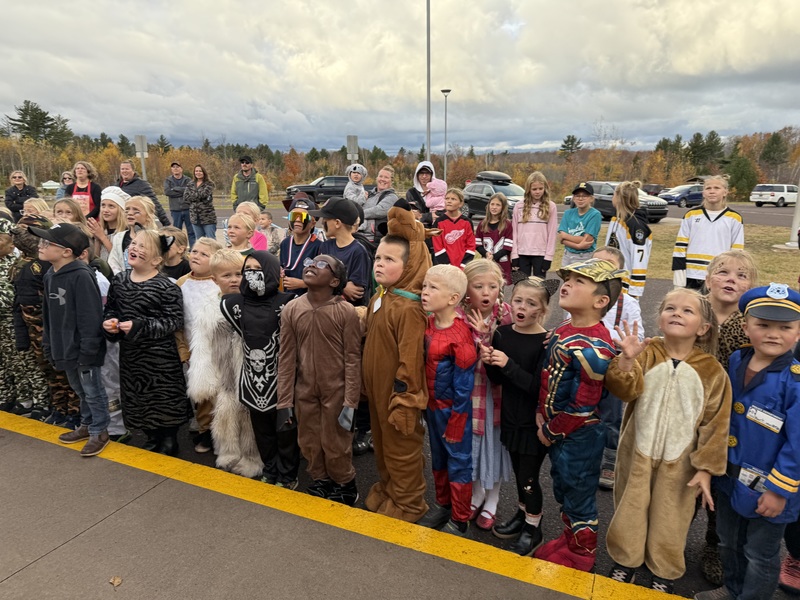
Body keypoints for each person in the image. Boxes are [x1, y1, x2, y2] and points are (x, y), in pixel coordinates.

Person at [604, 289, 731, 594]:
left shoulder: (712, 371)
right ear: (659, 319)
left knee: (671, 516)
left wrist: (705, 468)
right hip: (636, 453)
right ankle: (626, 559)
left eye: (688, 311)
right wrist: (625, 362)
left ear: (703, 328)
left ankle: (665, 568)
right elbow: (623, 390)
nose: (677, 313)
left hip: (682, 464)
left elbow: (716, 425)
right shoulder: (646, 353)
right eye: (670, 308)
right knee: (630, 507)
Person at [695, 285, 800, 600]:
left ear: (798, 332)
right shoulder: (738, 360)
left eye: (785, 327)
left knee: (760, 553)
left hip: (770, 488)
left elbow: (797, 446)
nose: (773, 334)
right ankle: (733, 588)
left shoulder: (794, 382)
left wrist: (779, 491)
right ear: (745, 327)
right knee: (728, 541)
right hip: (730, 478)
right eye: (763, 325)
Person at [535, 258, 627, 571]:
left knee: (578, 491)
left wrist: (551, 430)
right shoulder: (564, 329)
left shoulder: (594, 347)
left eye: (579, 282)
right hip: (560, 429)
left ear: (601, 301)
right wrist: (541, 413)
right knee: (563, 485)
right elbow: (550, 377)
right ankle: (569, 537)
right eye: (568, 279)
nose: (567, 284)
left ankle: (581, 553)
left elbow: (584, 404)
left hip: (580, 434)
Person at [362, 206, 432, 522]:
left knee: (401, 450)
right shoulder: (383, 296)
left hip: (396, 396)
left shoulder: (408, 308)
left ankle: (409, 503)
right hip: (376, 392)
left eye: (390, 260)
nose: (380, 263)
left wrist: (406, 401)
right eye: (378, 257)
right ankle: (389, 489)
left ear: (409, 265)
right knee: (382, 444)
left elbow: (411, 359)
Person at [277, 254, 362, 505]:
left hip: (336, 391)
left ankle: (345, 483)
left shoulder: (346, 312)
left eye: (323, 265)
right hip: (304, 391)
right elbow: (286, 358)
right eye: (311, 262)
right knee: (309, 441)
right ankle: (321, 479)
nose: (313, 265)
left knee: (336, 441)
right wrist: (284, 402)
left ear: (335, 281)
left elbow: (353, 359)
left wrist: (351, 402)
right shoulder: (292, 309)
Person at [482, 276, 557, 555]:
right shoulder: (503, 333)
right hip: (510, 419)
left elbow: (537, 387)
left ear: (543, 310)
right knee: (519, 474)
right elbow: (496, 379)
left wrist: (508, 364)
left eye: (531, 303)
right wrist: (489, 360)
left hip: (532, 423)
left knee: (528, 478)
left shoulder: (545, 342)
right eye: (518, 300)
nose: (522, 307)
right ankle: (523, 514)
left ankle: (533, 529)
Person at [103, 229, 191, 455]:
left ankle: (169, 437)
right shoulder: (120, 281)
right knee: (138, 395)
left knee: (163, 396)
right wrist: (110, 324)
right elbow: (112, 309)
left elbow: (173, 321)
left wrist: (141, 326)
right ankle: (151, 435)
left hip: (160, 357)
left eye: (143, 247)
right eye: (133, 243)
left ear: (157, 260)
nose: (134, 248)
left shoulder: (165, 286)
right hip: (132, 354)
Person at [700, 249, 758, 586]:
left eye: (741, 275)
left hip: (731, 421)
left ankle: (713, 546)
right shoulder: (689, 309)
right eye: (722, 272)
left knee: (719, 488)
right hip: (690, 414)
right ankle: (671, 536)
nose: (731, 279)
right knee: (682, 483)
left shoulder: (751, 325)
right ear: (708, 279)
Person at [31, 222, 110, 457]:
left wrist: (88, 349)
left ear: (67, 252)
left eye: (47, 242)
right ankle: (86, 424)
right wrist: (48, 343)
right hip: (62, 346)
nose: (41, 245)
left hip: (84, 349)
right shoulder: (50, 275)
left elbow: (90, 317)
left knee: (93, 390)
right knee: (79, 390)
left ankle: (100, 430)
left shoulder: (82, 276)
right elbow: (48, 313)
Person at [221, 251, 299, 488]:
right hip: (251, 381)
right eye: (249, 268)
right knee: (262, 431)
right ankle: (271, 468)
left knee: (286, 430)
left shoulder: (289, 302)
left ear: (272, 271)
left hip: (282, 380)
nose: (252, 273)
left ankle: (288, 474)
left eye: (258, 268)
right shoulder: (232, 303)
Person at [412, 265, 478, 536]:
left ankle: (461, 518)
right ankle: (443, 505)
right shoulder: (427, 324)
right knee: (438, 458)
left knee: (458, 461)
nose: (425, 292)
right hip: (432, 407)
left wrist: (456, 421)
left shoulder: (460, 335)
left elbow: (465, 386)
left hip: (453, 412)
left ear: (453, 298)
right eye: (425, 286)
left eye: (433, 288)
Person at [187, 249, 263, 476]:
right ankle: (228, 454)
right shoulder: (208, 308)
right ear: (214, 279)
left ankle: (253, 459)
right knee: (224, 413)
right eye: (227, 275)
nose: (234, 280)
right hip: (223, 374)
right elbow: (201, 344)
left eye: (239, 274)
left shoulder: (255, 302)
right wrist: (202, 378)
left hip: (251, 374)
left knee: (250, 418)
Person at [458, 259, 513, 532]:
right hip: (470, 391)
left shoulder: (507, 315)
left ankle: (493, 497)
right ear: (466, 290)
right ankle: (478, 493)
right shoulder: (458, 314)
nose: (486, 292)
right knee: (473, 445)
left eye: (493, 286)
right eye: (478, 286)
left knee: (496, 444)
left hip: (497, 394)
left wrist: (487, 340)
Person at [590, 245, 645, 491]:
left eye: (607, 266)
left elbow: (637, 337)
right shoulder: (583, 295)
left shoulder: (628, 303)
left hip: (612, 364)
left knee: (611, 416)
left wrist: (606, 336)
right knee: (583, 410)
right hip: (584, 364)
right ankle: (584, 453)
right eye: (595, 264)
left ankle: (610, 459)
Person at [175, 237, 224, 453]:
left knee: (220, 392)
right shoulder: (182, 283)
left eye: (204, 254)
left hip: (218, 347)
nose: (196, 256)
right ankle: (205, 431)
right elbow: (178, 321)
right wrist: (183, 349)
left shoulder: (220, 283)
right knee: (201, 393)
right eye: (194, 251)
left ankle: (222, 433)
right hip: (193, 348)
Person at [8, 216, 56, 420]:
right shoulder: (20, 264)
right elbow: (17, 301)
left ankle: (57, 407)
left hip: (48, 324)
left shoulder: (46, 264)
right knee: (40, 366)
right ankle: (50, 405)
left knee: (56, 368)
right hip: (29, 325)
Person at [673, 175, 744, 291]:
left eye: (716, 188)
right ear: (703, 193)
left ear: (725, 192)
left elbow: (737, 253)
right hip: (692, 275)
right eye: (708, 188)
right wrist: (679, 278)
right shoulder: (691, 215)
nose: (712, 191)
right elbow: (680, 247)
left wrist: (731, 275)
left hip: (718, 275)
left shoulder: (734, 218)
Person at [314, 197, 372, 307]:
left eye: (325, 219)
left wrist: (330, 283)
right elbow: (318, 279)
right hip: (325, 307)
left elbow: (355, 292)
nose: (323, 223)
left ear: (337, 223)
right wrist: (343, 286)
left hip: (347, 312)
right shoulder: (325, 246)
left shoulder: (358, 251)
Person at [604, 180, 652, 298]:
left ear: (619, 198)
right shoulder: (616, 219)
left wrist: (635, 291)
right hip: (611, 280)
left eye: (614, 194)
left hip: (625, 288)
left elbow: (640, 259)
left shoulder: (636, 226)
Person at [511, 171, 558, 279]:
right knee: (522, 286)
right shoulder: (518, 206)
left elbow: (552, 234)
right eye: (534, 189)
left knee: (539, 288)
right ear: (528, 189)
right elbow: (514, 232)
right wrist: (514, 255)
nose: (537, 192)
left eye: (540, 189)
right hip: (522, 253)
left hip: (541, 254)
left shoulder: (551, 206)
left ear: (545, 188)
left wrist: (549, 257)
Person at [279, 197, 322, 297]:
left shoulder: (319, 246)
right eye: (294, 216)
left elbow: (324, 280)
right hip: (286, 297)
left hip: (309, 299)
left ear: (313, 223)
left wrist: (302, 284)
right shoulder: (285, 243)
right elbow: (282, 266)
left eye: (303, 217)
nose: (298, 220)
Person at [108, 196, 159, 275]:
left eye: (136, 211)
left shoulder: (156, 238)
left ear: (148, 216)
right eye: (127, 210)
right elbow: (113, 262)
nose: (130, 213)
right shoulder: (119, 237)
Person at [558, 182, 602, 267]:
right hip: (567, 255)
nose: (580, 199)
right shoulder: (568, 213)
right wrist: (578, 246)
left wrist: (565, 236)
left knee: (581, 280)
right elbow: (560, 238)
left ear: (591, 198)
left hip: (584, 257)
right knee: (567, 280)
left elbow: (587, 241)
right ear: (573, 198)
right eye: (577, 196)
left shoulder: (595, 215)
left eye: (584, 196)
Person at [475, 193, 514, 285]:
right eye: (492, 204)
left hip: (502, 263)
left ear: (503, 207)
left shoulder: (507, 225)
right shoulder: (482, 224)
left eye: (498, 205)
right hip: (487, 263)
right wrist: (486, 253)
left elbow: (508, 247)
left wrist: (494, 256)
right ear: (488, 206)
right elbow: (477, 244)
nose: (494, 207)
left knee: (500, 291)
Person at [432, 188, 476, 269]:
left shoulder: (467, 222)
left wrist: (463, 265)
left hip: (462, 267)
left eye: (453, 199)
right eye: (447, 198)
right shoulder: (439, 222)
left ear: (460, 203)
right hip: (445, 267)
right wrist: (448, 266)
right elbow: (438, 247)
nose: (449, 201)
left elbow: (471, 246)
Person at [117, 160, 170, 226]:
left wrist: (166, 223)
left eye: (127, 169)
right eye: (122, 169)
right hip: (119, 224)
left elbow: (155, 204)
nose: (124, 171)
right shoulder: (116, 186)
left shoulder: (141, 185)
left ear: (133, 170)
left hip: (135, 224)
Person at [86, 186, 129, 262]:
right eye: (103, 205)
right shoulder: (102, 229)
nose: (105, 210)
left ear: (120, 210)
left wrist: (102, 237)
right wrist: (97, 240)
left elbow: (119, 258)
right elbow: (97, 259)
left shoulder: (126, 233)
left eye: (111, 206)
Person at [361, 165, 399, 241]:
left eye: (386, 177)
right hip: (361, 235)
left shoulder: (392, 197)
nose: (382, 179)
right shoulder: (368, 194)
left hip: (376, 239)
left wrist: (358, 214)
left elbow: (379, 210)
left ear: (392, 181)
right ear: (377, 178)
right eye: (380, 176)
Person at [163, 162, 194, 247]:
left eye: (177, 167)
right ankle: (178, 249)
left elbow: (190, 190)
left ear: (181, 169)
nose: (175, 168)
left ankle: (193, 250)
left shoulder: (188, 180)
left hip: (187, 209)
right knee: (176, 232)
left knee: (191, 232)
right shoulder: (168, 180)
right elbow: (167, 192)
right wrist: (182, 191)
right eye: (173, 167)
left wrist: (175, 189)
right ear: (171, 169)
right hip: (175, 210)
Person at [184, 164, 216, 241]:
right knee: (199, 240)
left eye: (200, 171)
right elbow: (186, 197)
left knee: (211, 240)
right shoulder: (190, 184)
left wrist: (193, 196)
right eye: (196, 171)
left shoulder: (209, 184)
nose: (198, 173)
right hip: (195, 218)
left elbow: (204, 194)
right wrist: (197, 196)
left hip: (207, 217)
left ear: (204, 172)